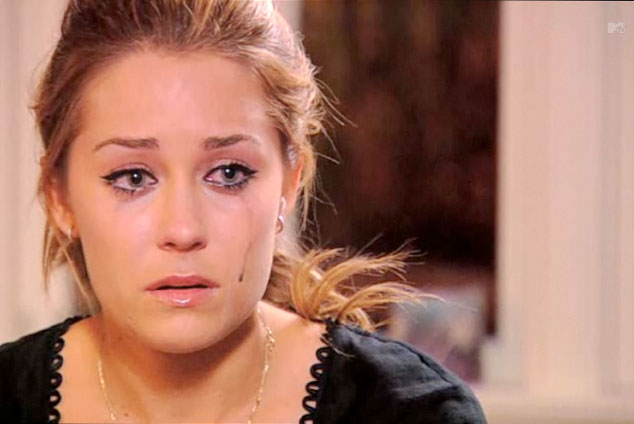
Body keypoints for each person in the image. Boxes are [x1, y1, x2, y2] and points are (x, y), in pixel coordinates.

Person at [0, 1, 487, 423]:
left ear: (290, 184)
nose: (183, 229)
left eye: (229, 173)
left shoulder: (410, 412)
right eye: (132, 178)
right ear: (60, 198)